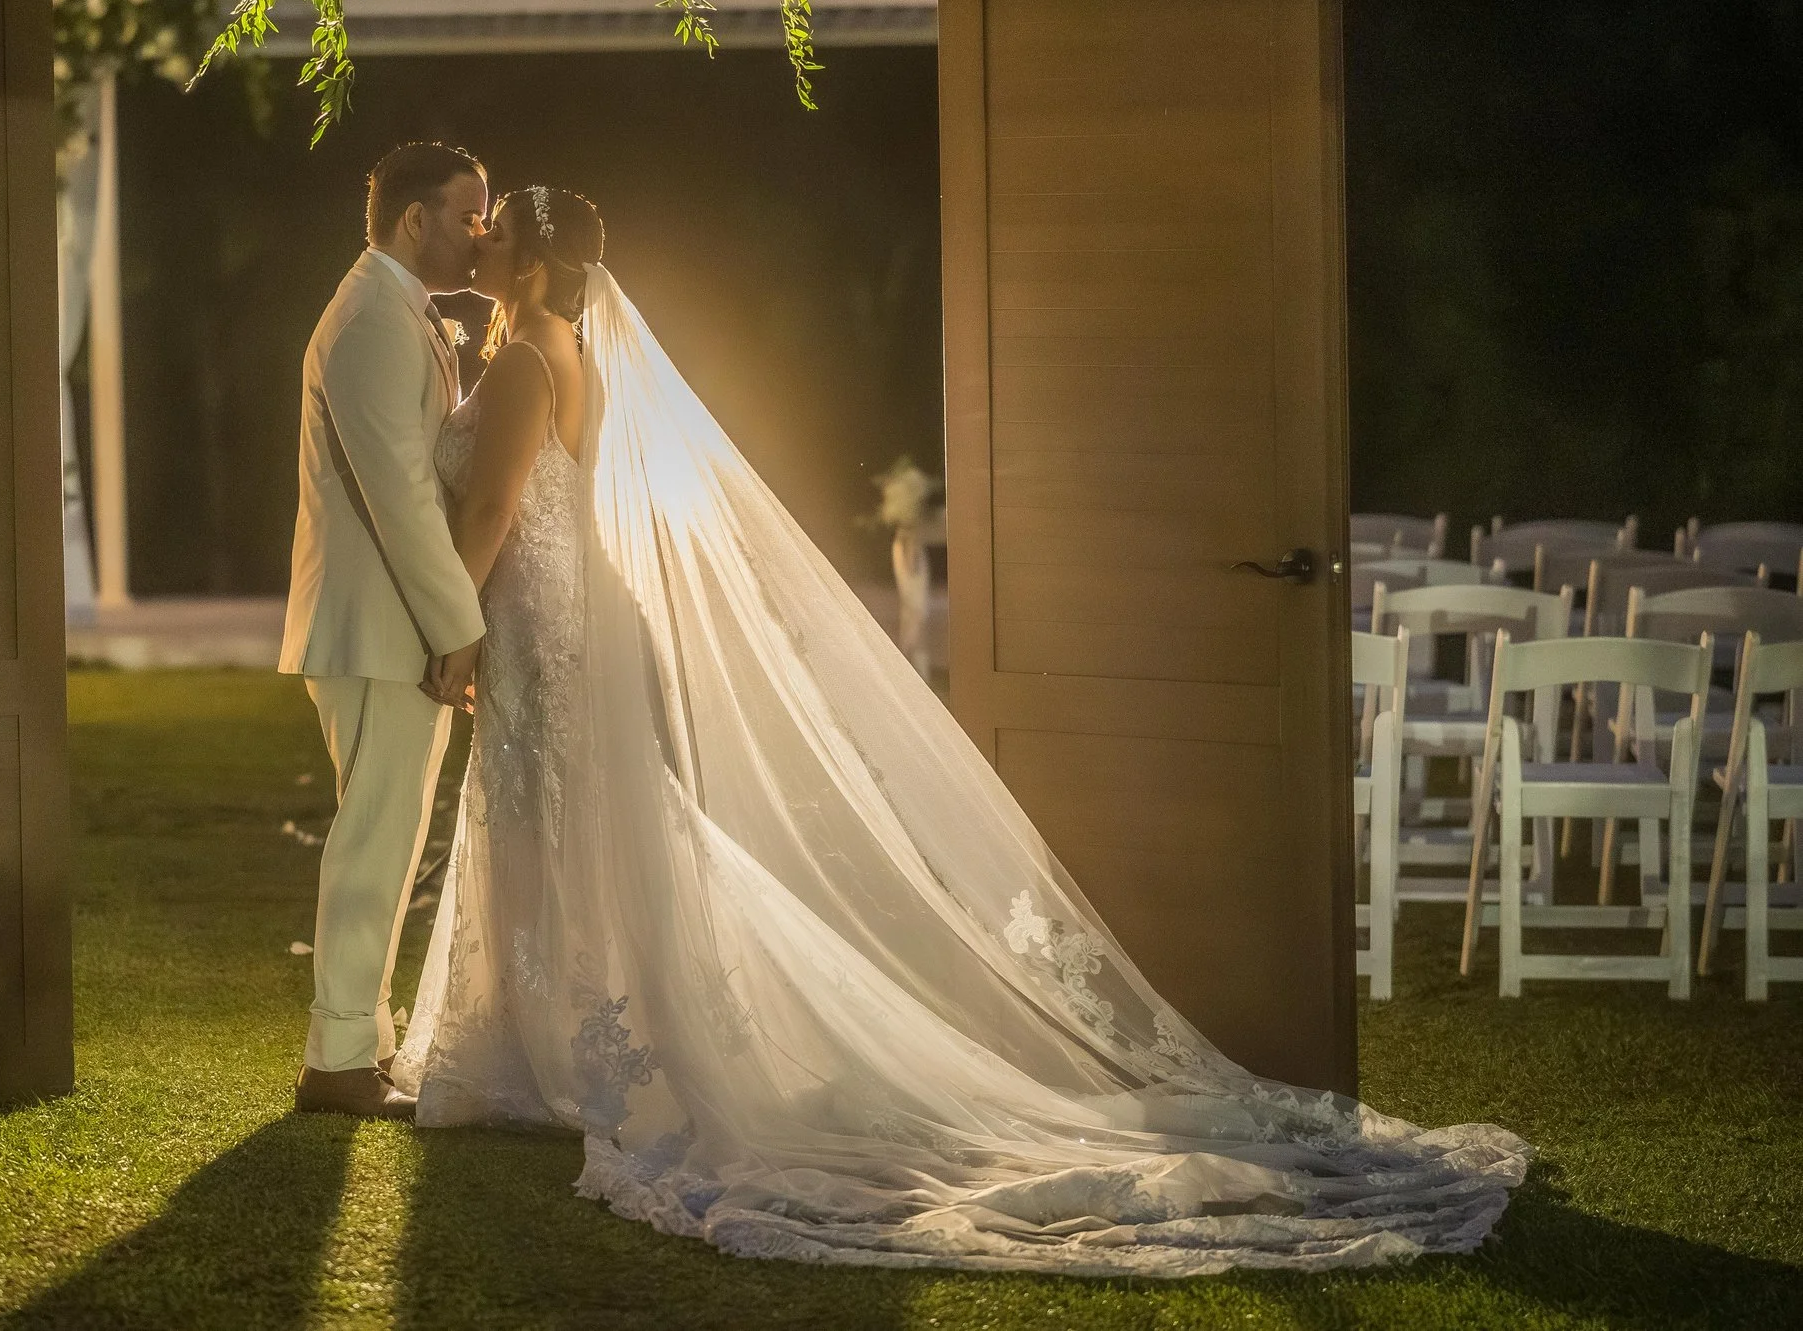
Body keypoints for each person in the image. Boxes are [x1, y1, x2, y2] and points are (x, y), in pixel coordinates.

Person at [392, 184, 1531, 1275]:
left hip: (538, 617)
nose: (478, 239)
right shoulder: (564, 351)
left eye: (495, 229)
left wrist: (455, 624)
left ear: (530, 261)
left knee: (552, 814)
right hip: (556, 612)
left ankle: (561, 1048)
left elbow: (494, 505)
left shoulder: (530, 361)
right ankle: (556, 1040)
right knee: (569, 819)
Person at [279, 142, 490, 1119]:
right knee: (374, 840)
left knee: (388, 836)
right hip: (378, 620)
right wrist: (459, 625)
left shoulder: (396, 308)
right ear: (415, 218)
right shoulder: (371, 316)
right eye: (468, 214)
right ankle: (337, 1060)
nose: (480, 234)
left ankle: (360, 1043)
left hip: (386, 617)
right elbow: (398, 493)